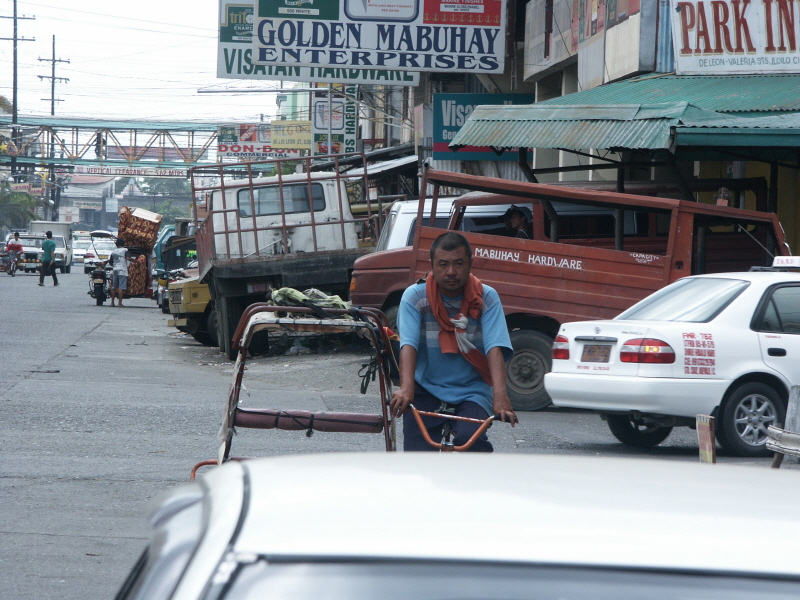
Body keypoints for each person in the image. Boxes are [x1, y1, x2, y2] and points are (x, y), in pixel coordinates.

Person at [389, 231, 517, 452]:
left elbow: (495, 346)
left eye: (458, 264)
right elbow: (408, 344)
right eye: (443, 264)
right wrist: (406, 389)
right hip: (425, 388)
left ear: (470, 264)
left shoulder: (486, 297)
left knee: (470, 441)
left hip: (472, 390)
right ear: (431, 265)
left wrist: (500, 396)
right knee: (416, 455)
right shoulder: (415, 297)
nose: (451, 272)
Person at [107, 237, 135, 307]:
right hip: (122, 270)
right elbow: (128, 258)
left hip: (115, 270)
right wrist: (136, 261)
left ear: (116, 244)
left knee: (114, 287)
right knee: (121, 287)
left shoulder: (113, 252)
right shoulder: (125, 250)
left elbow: (110, 263)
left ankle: (112, 303)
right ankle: (120, 303)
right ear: (123, 244)